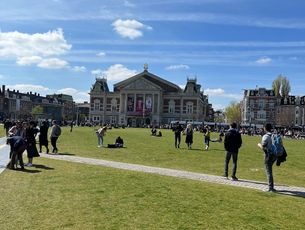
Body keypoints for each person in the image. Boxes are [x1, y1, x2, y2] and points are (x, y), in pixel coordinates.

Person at [258, 123, 277, 192]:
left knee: (268, 171)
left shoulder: (266, 136)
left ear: (265, 128)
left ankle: (270, 187)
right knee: (269, 170)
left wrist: (259, 145)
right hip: (275, 155)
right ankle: (271, 186)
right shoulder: (274, 135)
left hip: (268, 155)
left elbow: (263, 147)